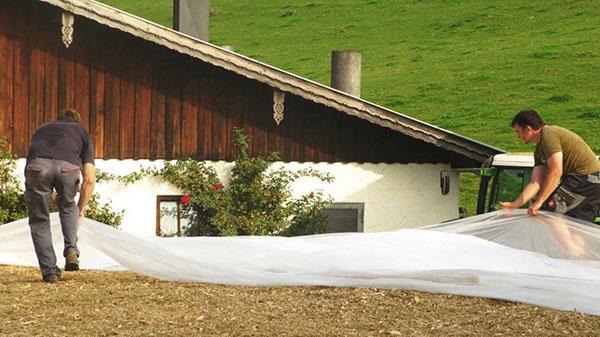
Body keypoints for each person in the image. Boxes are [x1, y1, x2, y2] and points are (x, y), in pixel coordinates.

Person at [25, 108, 96, 283]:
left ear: (58, 120)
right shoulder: (81, 133)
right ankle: (71, 249)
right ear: (77, 121)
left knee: (39, 220)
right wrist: (79, 209)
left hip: (37, 168)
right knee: (68, 206)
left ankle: (50, 272)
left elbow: (34, 167)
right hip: (68, 169)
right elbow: (89, 180)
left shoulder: (42, 129)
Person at [500, 108, 600, 223]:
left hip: (585, 179)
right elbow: (535, 182)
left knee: (549, 213)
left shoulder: (549, 135)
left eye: (517, 131)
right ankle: (569, 242)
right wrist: (515, 204)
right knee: (575, 225)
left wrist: (538, 202)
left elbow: (556, 171)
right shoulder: (539, 150)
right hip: (593, 183)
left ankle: (561, 242)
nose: (517, 136)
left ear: (527, 129)